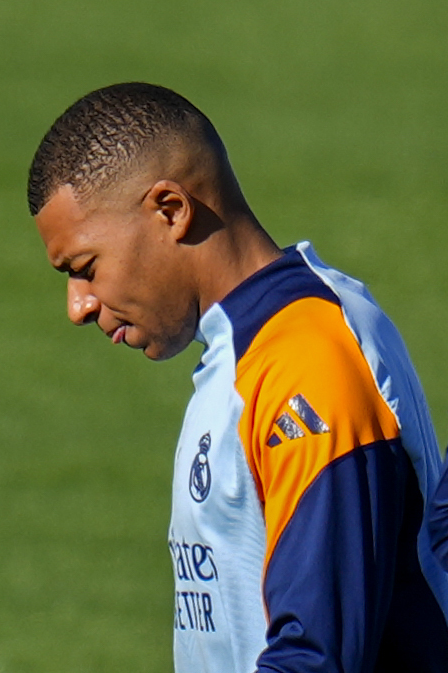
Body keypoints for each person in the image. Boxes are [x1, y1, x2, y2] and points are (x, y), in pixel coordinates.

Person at [28, 82, 448, 672]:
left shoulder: (308, 363)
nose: (79, 306)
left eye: (85, 269)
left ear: (171, 211)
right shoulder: (246, 354)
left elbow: (317, 658)